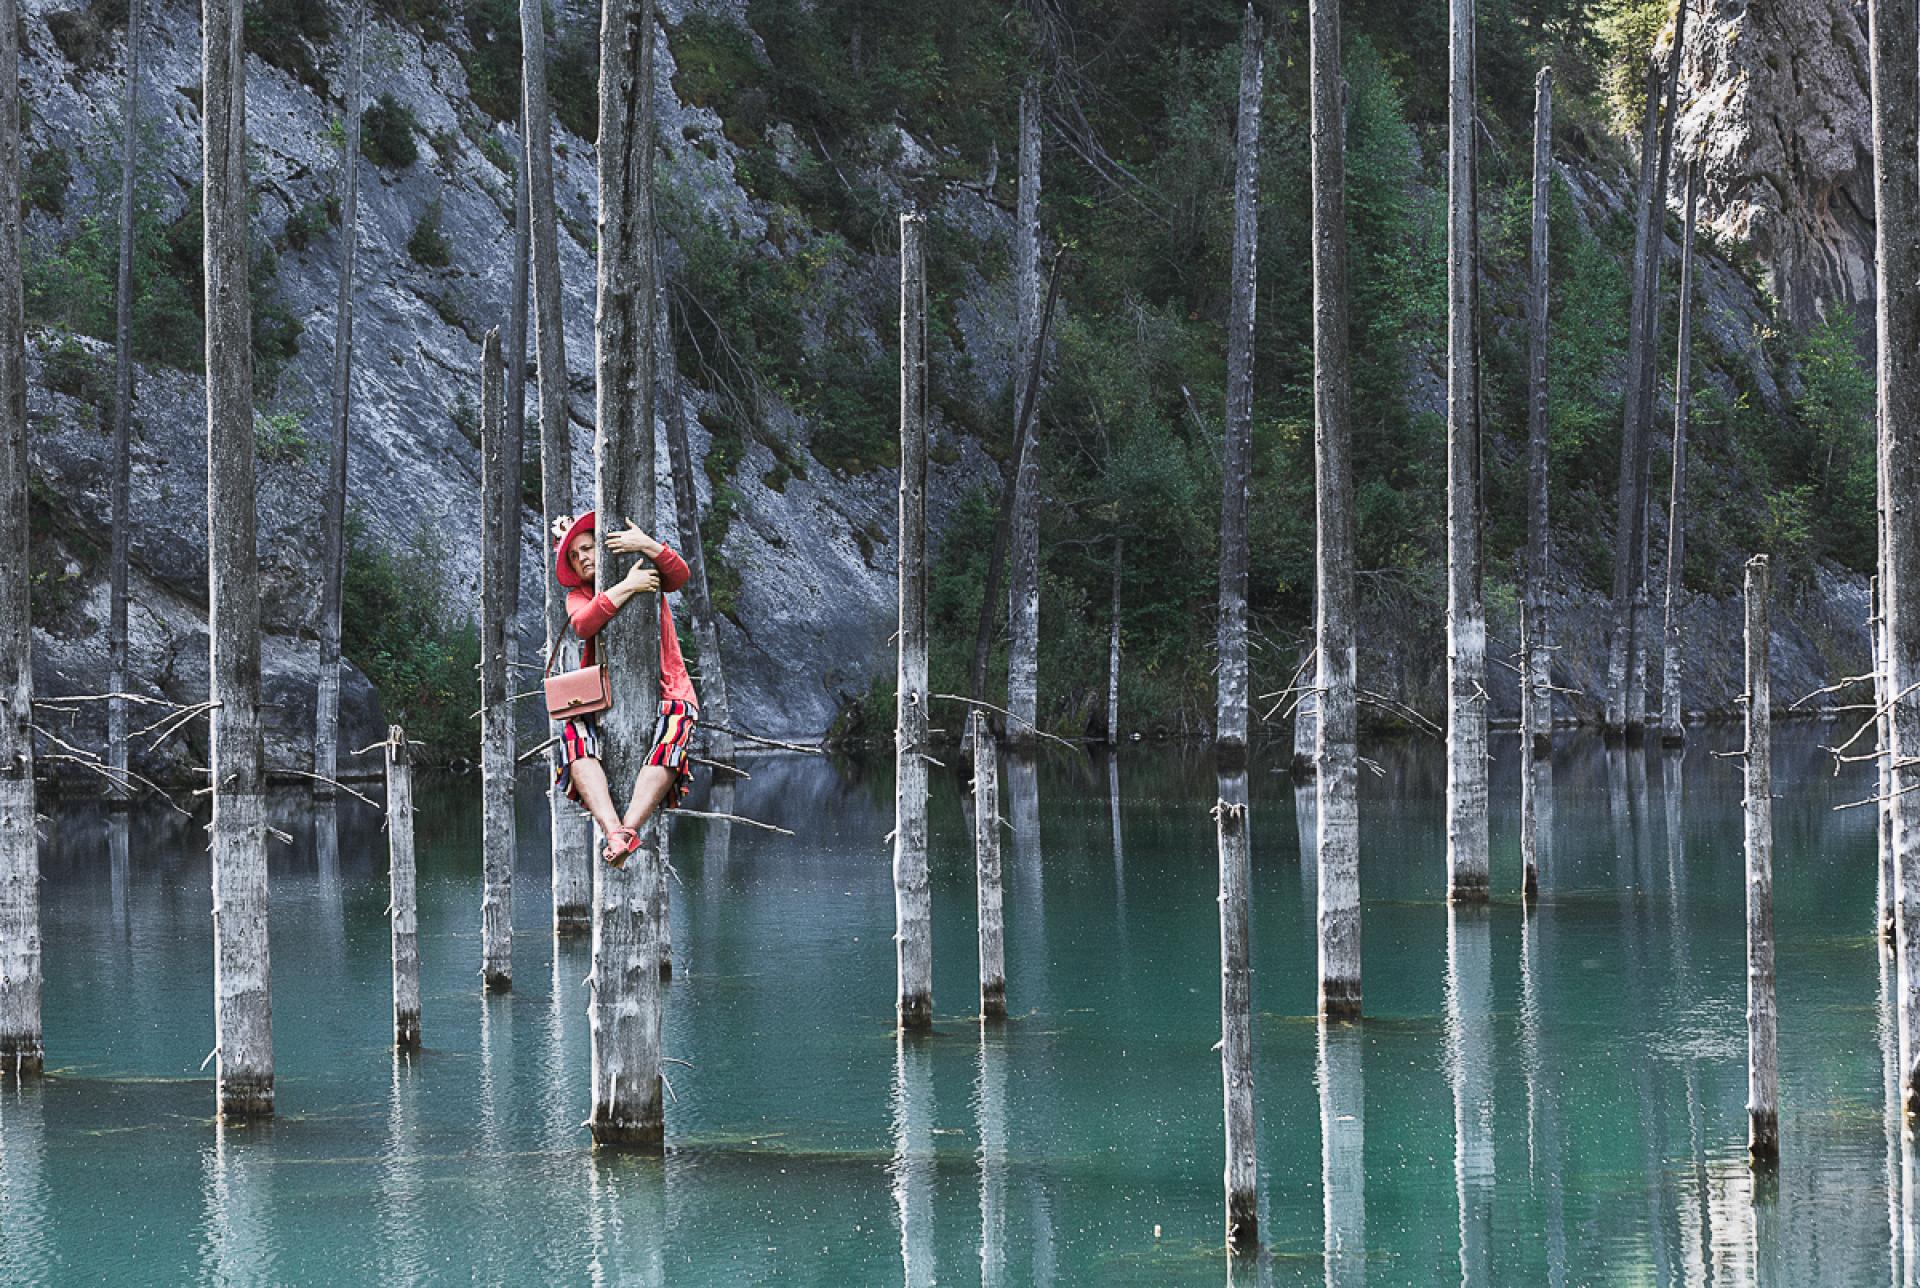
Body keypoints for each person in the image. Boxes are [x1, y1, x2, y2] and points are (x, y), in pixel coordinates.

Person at [550, 510, 699, 866]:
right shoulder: (578, 594)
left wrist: (646, 544)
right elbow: (583, 624)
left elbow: (680, 575)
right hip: (598, 698)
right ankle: (612, 828)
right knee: (574, 741)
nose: (583, 557)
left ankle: (625, 833)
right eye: (575, 555)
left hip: (669, 686)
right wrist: (627, 586)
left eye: (587, 548)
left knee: (671, 741)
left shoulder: (642, 565)